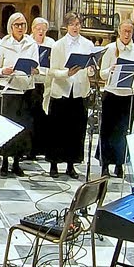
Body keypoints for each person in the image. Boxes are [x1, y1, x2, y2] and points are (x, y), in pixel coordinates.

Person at [45, 13, 94, 179]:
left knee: (76, 129)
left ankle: (71, 164)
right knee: (57, 129)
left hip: (79, 91)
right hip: (62, 91)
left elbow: (90, 66)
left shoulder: (88, 44)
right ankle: (53, 164)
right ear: (66, 26)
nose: (75, 27)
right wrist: (67, 73)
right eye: (72, 24)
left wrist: (90, 70)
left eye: (78, 24)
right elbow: (52, 71)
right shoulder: (59, 45)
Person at [0, 13, 39, 175]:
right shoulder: (3, 44)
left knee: (22, 127)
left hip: (25, 90)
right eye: (17, 24)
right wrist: (3, 71)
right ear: (11, 27)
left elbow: (36, 65)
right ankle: (4, 161)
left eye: (23, 24)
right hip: (9, 90)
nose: (20, 28)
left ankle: (17, 162)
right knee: (6, 128)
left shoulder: (31, 44)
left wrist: (34, 69)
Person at [98, 20, 134, 177]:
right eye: (124, 31)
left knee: (124, 131)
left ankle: (119, 163)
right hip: (112, 94)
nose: (126, 34)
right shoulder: (110, 49)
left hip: (129, 96)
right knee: (107, 130)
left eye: (129, 32)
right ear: (119, 31)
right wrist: (111, 70)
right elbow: (101, 74)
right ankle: (105, 164)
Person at [27, 17, 56, 163]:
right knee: (30, 116)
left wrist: (41, 72)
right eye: (38, 28)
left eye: (43, 29)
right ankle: (29, 149)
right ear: (32, 29)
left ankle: (41, 148)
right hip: (30, 83)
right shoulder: (27, 42)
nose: (41, 31)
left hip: (45, 83)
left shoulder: (51, 44)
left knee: (42, 117)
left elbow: (53, 64)